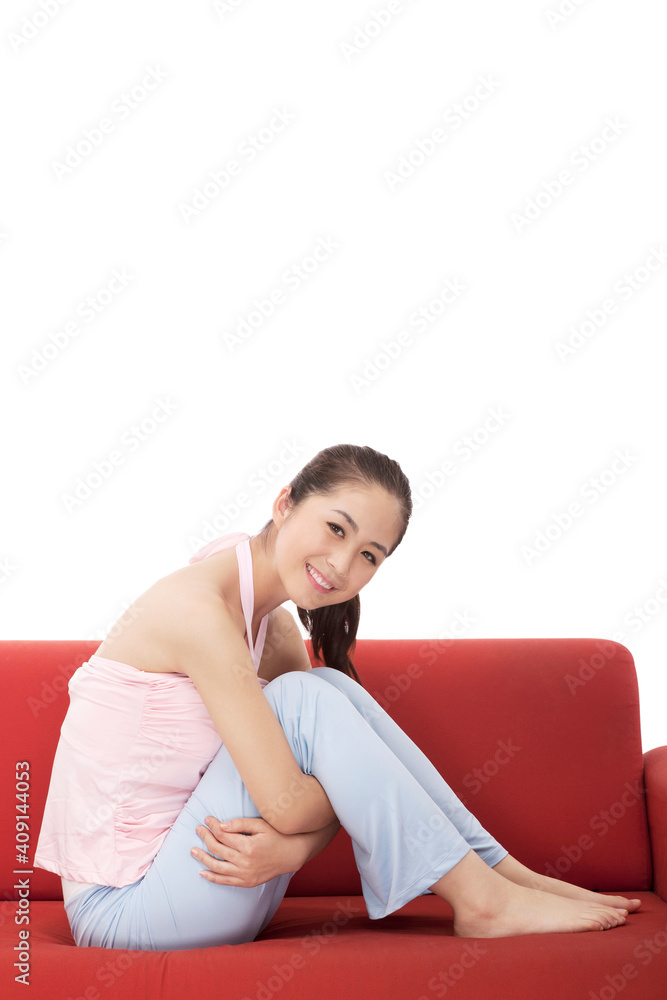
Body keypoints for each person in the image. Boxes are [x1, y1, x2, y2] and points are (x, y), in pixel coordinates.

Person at [35, 443, 641, 950]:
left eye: (368, 556)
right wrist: (299, 843)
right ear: (284, 502)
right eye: (335, 528)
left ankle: (503, 873)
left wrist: (295, 844)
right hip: (129, 911)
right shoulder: (197, 611)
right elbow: (296, 805)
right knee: (309, 695)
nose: (342, 565)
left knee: (323, 687)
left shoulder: (260, 608)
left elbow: (320, 771)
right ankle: (482, 899)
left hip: (219, 881)